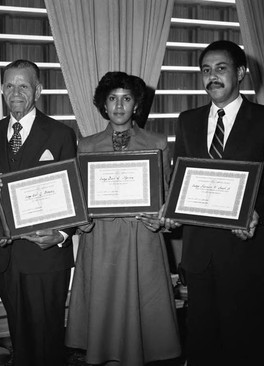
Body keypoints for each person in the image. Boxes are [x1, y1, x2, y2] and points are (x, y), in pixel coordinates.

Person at [163, 40, 264, 365]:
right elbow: (181, 179)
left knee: (244, 342)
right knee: (201, 340)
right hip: (199, 253)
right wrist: (172, 209)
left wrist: (256, 211)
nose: (212, 77)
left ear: (241, 73)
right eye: (205, 70)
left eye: (221, 68)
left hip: (245, 253)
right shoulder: (187, 120)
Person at [65, 72, 181, 365]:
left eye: (126, 99)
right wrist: (81, 220)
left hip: (142, 238)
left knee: (142, 320)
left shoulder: (157, 141)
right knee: (104, 315)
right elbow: (80, 200)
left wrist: (161, 219)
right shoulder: (86, 145)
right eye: (112, 99)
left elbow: (167, 197)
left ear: (137, 105)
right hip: (101, 240)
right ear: (103, 104)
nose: (119, 106)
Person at [0, 59, 77, 366]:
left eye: (23, 85)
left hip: (46, 255)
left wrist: (61, 235)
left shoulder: (61, 134)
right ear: (2, 91)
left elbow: (75, 194)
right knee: (19, 340)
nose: (16, 92)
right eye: (9, 85)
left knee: (48, 342)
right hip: (7, 257)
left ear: (38, 90)